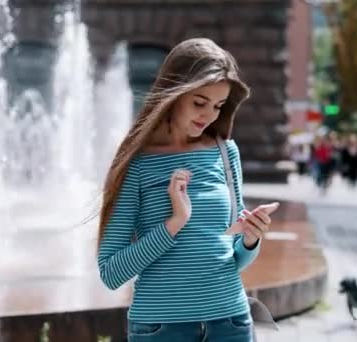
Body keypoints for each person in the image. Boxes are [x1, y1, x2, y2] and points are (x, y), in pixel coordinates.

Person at [95, 38, 277, 342]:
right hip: (161, 330)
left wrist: (250, 240)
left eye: (218, 106)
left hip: (230, 322)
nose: (208, 116)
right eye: (199, 102)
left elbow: (231, 256)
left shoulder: (225, 152)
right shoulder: (137, 164)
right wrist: (174, 223)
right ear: (174, 93)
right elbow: (111, 272)